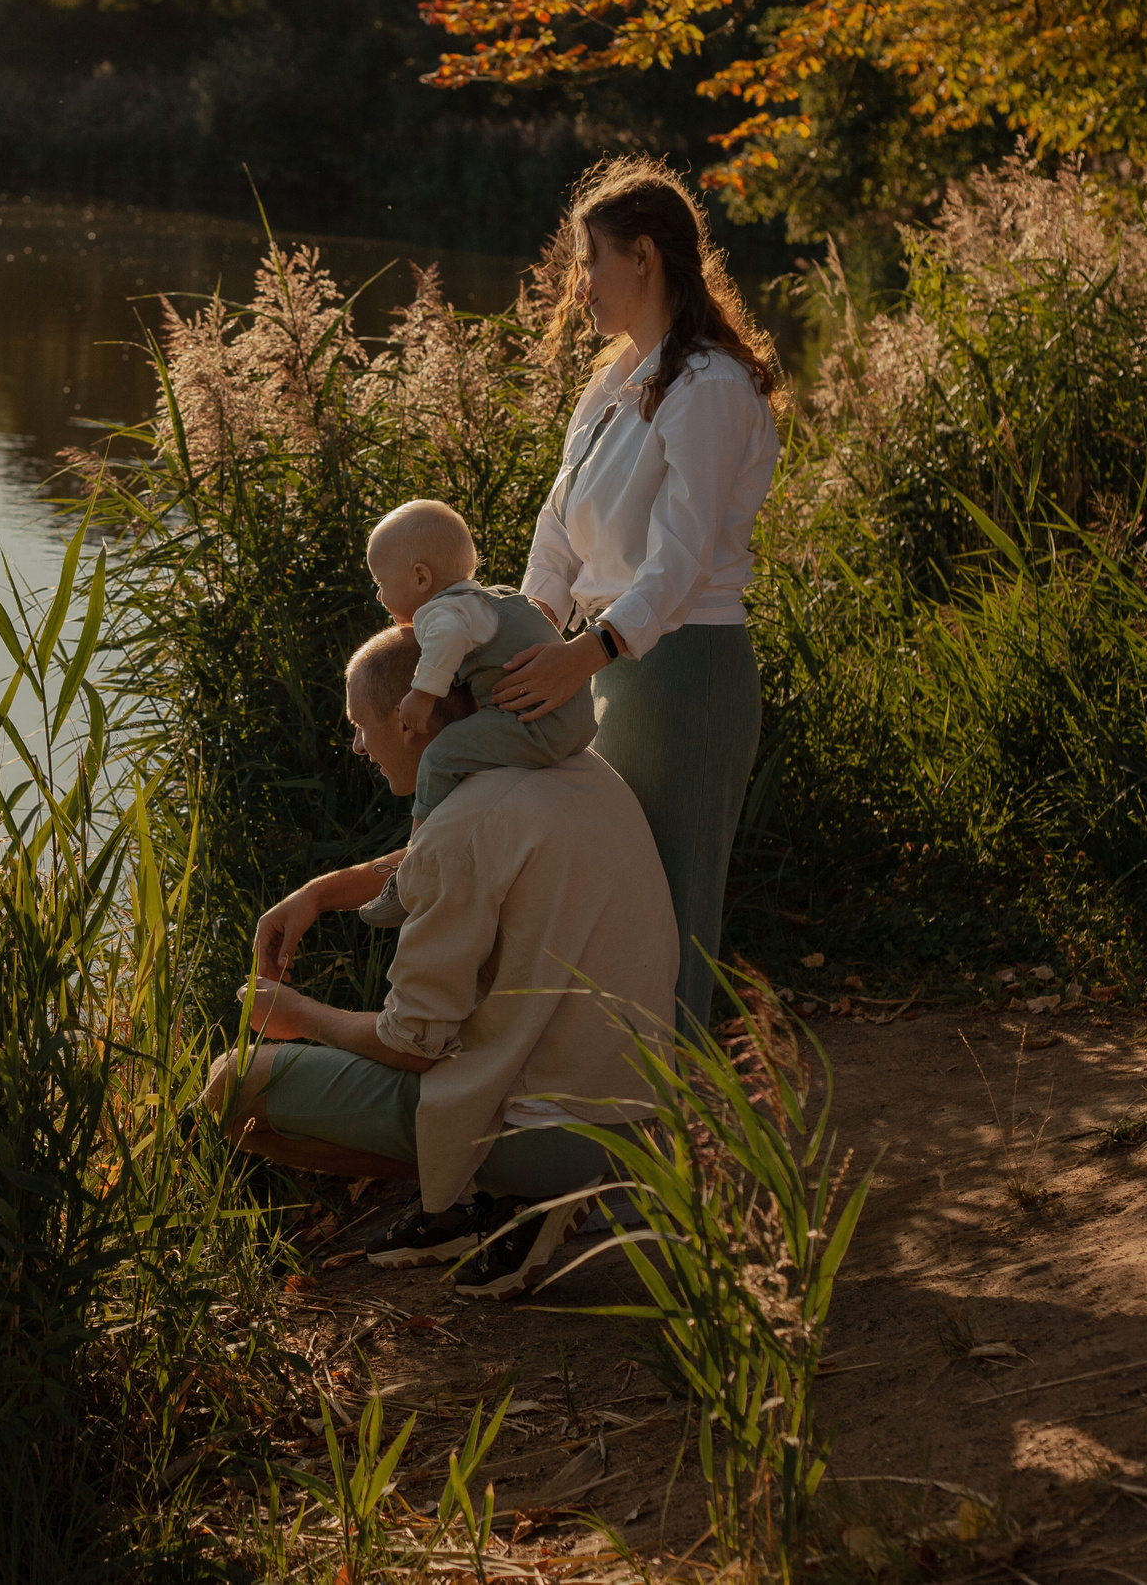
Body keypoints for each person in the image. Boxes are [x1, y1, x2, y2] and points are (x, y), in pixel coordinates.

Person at [206, 625, 677, 1299]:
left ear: (411, 721)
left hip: (550, 1133)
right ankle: (500, 1198)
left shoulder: (460, 829)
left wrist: (298, 1014)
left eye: (362, 726)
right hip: (631, 1114)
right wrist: (319, 894)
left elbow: (414, 1045)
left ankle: (488, 1193)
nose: (358, 746)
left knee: (234, 1087)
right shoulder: (569, 768)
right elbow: (446, 856)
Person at [492, 156, 786, 1030]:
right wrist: (529, 629)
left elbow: (681, 558)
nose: (578, 285)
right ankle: (604, 1106)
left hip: (685, 672)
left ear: (646, 257)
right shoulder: (615, 379)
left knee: (675, 909)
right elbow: (558, 523)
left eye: (590, 261)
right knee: (609, 902)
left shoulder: (710, 387)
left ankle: (679, 1128)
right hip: (607, 664)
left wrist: (586, 652)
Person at [353, 497, 597, 928]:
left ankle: (413, 869)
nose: (378, 594)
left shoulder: (440, 612)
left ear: (420, 577)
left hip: (542, 724)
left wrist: (423, 695)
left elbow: (444, 638)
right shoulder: (489, 599)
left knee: (439, 759)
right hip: (575, 717)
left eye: (381, 582)